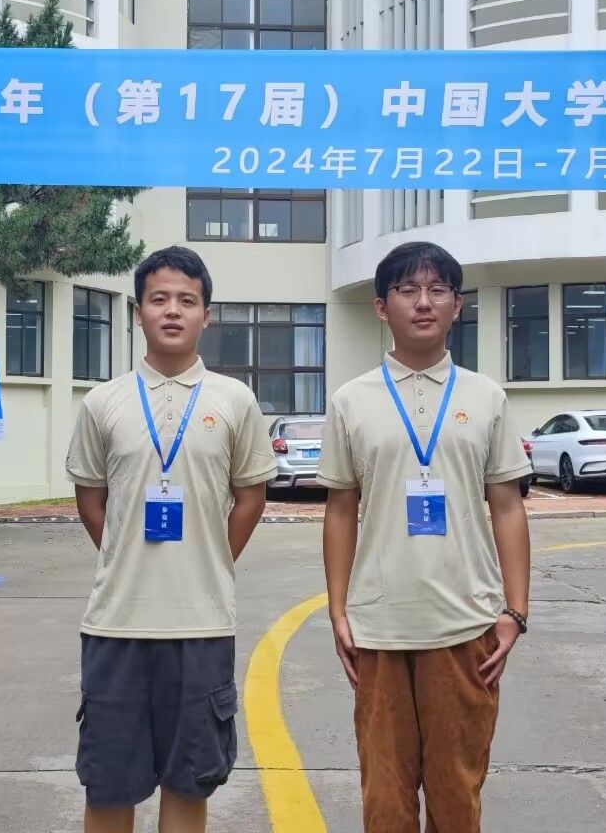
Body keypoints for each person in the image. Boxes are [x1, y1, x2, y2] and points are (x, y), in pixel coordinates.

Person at [319, 242, 532, 833]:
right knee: (385, 800)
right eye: (408, 290)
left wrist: (515, 611)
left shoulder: (485, 397)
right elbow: (340, 509)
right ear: (380, 306)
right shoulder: (351, 400)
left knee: (457, 794)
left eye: (438, 290)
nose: (423, 302)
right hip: (379, 628)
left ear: (457, 306)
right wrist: (338, 610)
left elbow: (507, 506)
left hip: (467, 623)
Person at [64, 246, 276, 833]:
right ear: (139, 312)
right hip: (116, 625)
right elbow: (91, 499)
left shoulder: (234, 400)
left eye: (187, 300)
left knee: (190, 782)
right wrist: (124, 556)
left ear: (207, 314)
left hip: (201, 625)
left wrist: (210, 559)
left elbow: (250, 497)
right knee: (109, 785)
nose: (173, 311)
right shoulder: (103, 402)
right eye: (159, 299)